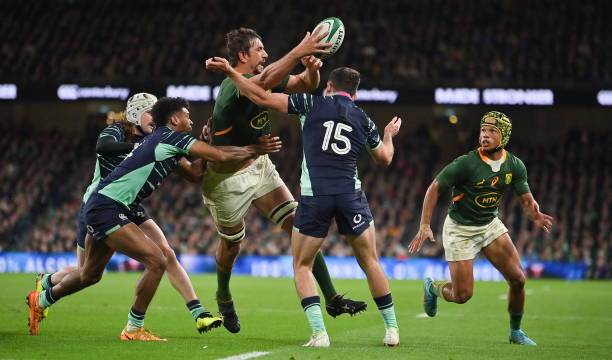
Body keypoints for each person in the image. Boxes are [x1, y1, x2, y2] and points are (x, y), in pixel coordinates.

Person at [26, 97, 282, 341]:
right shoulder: (170, 137)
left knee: (90, 275)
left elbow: (195, 174)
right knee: (157, 260)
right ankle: (134, 327)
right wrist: (254, 149)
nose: (191, 121)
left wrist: (205, 146)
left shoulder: (164, 140)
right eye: (187, 116)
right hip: (107, 207)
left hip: (112, 206)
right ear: (173, 120)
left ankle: (42, 299)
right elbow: (222, 156)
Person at [206, 58, 402, 347]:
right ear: (355, 94)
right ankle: (392, 330)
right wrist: (389, 136)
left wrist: (231, 72)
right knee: (370, 262)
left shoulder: (310, 104)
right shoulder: (363, 118)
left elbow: (260, 95)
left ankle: (319, 334)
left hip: (316, 197)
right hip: (350, 195)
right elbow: (384, 158)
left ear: (329, 87)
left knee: (302, 266)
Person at [407, 111, 554, 346]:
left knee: (518, 279)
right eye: (483, 130)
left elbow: (526, 200)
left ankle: (515, 332)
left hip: (489, 225)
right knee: (462, 296)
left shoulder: (514, 165)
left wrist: (534, 214)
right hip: (460, 229)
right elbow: (434, 188)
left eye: (492, 131)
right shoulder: (466, 163)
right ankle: (433, 287)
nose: (485, 135)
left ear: (504, 136)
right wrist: (424, 225)